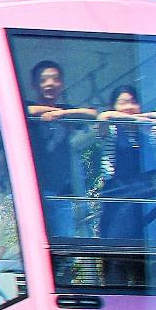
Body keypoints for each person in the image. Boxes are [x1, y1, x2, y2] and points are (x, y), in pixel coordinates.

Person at [96, 85, 156, 287]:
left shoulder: (147, 130)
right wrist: (131, 118)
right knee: (116, 252)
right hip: (117, 197)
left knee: (147, 256)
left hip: (145, 197)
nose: (129, 106)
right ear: (114, 106)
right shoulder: (109, 131)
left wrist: (148, 116)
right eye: (123, 102)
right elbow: (102, 118)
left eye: (132, 102)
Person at [24, 60, 98, 238]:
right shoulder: (25, 108)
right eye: (44, 80)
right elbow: (23, 109)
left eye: (55, 79)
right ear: (35, 85)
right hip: (32, 191)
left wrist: (61, 114)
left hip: (61, 192)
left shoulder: (66, 111)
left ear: (61, 84)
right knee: (36, 241)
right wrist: (46, 112)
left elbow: (93, 114)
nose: (50, 84)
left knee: (64, 246)